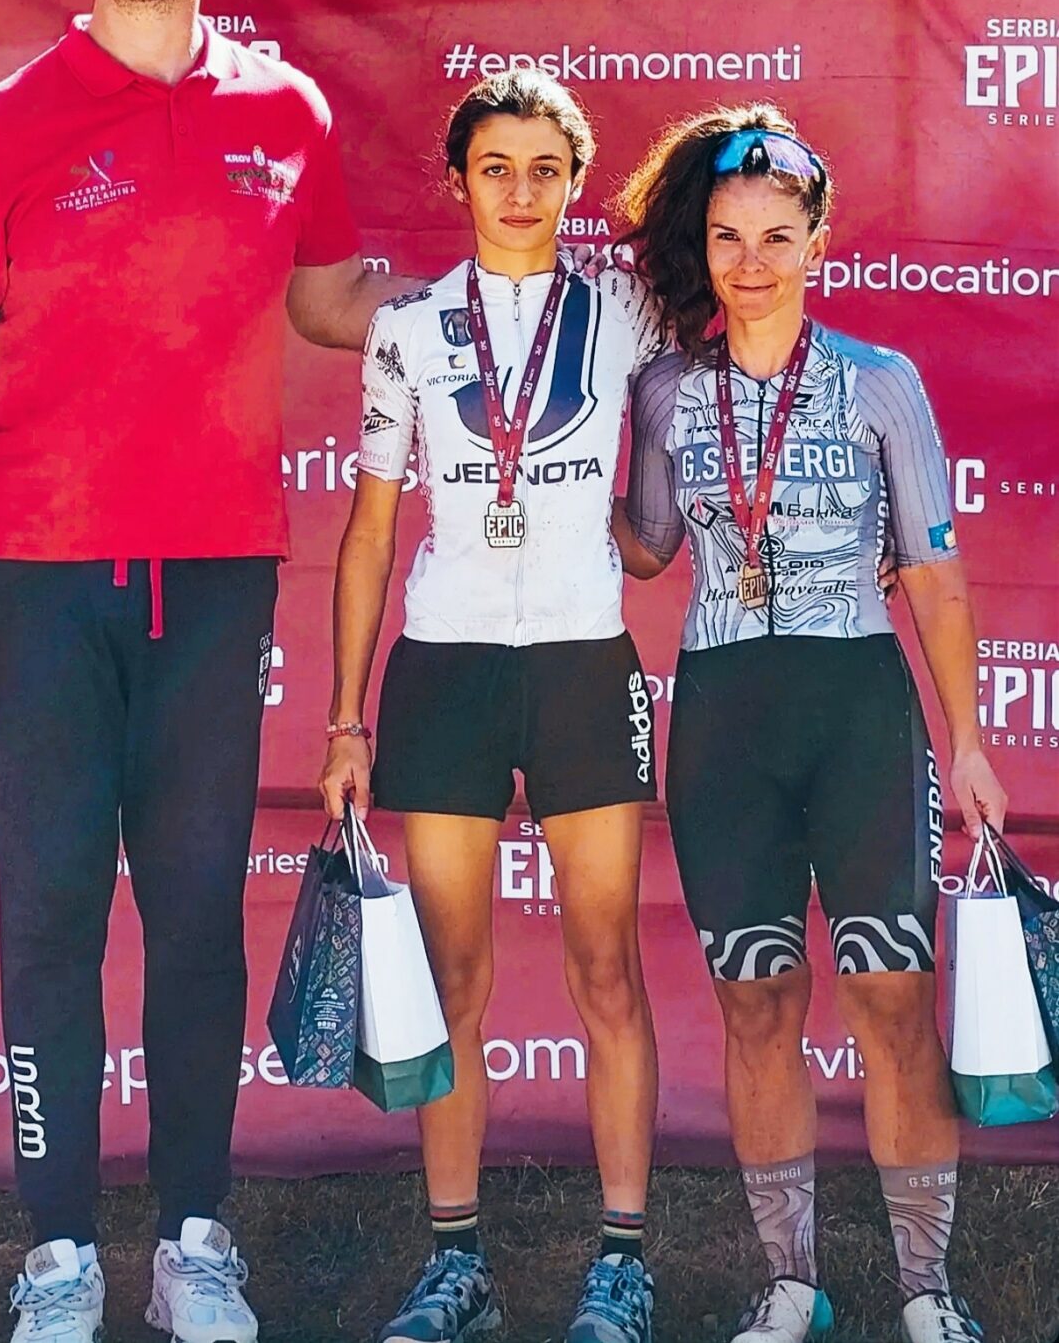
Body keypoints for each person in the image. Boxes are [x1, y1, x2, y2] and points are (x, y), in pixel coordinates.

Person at [0, 0, 418, 1343]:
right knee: (47, 915)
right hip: (38, 576)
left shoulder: (283, 107)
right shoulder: (14, 117)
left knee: (192, 916)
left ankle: (192, 1235)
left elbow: (327, 296)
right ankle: (57, 1249)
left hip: (217, 573)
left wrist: (478, 301)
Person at [613, 104, 1007, 1343]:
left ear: (817, 243)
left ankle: (928, 1290)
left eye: (777, 236)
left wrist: (969, 740)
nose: (751, 262)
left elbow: (933, 572)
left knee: (892, 997)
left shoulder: (884, 382)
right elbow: (649, 546)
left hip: (857, 709)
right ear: (703, 246)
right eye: (728, 237)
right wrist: (558, 483)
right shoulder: (664, 389)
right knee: (758, 1003)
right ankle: (792, 1282)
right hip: (725, 716)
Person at [320, 69, 666, 1343]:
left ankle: (622, 1259)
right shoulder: (408, 328)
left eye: (545, 169)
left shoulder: (628, 308)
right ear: (459, 180)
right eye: (496, 168)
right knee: (454, 973)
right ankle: (455, 1257)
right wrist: (345, 716)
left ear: (576, 183)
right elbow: (370, 529)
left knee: (605, 966)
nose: (521, 191)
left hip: (580, 662)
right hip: (448, 665)